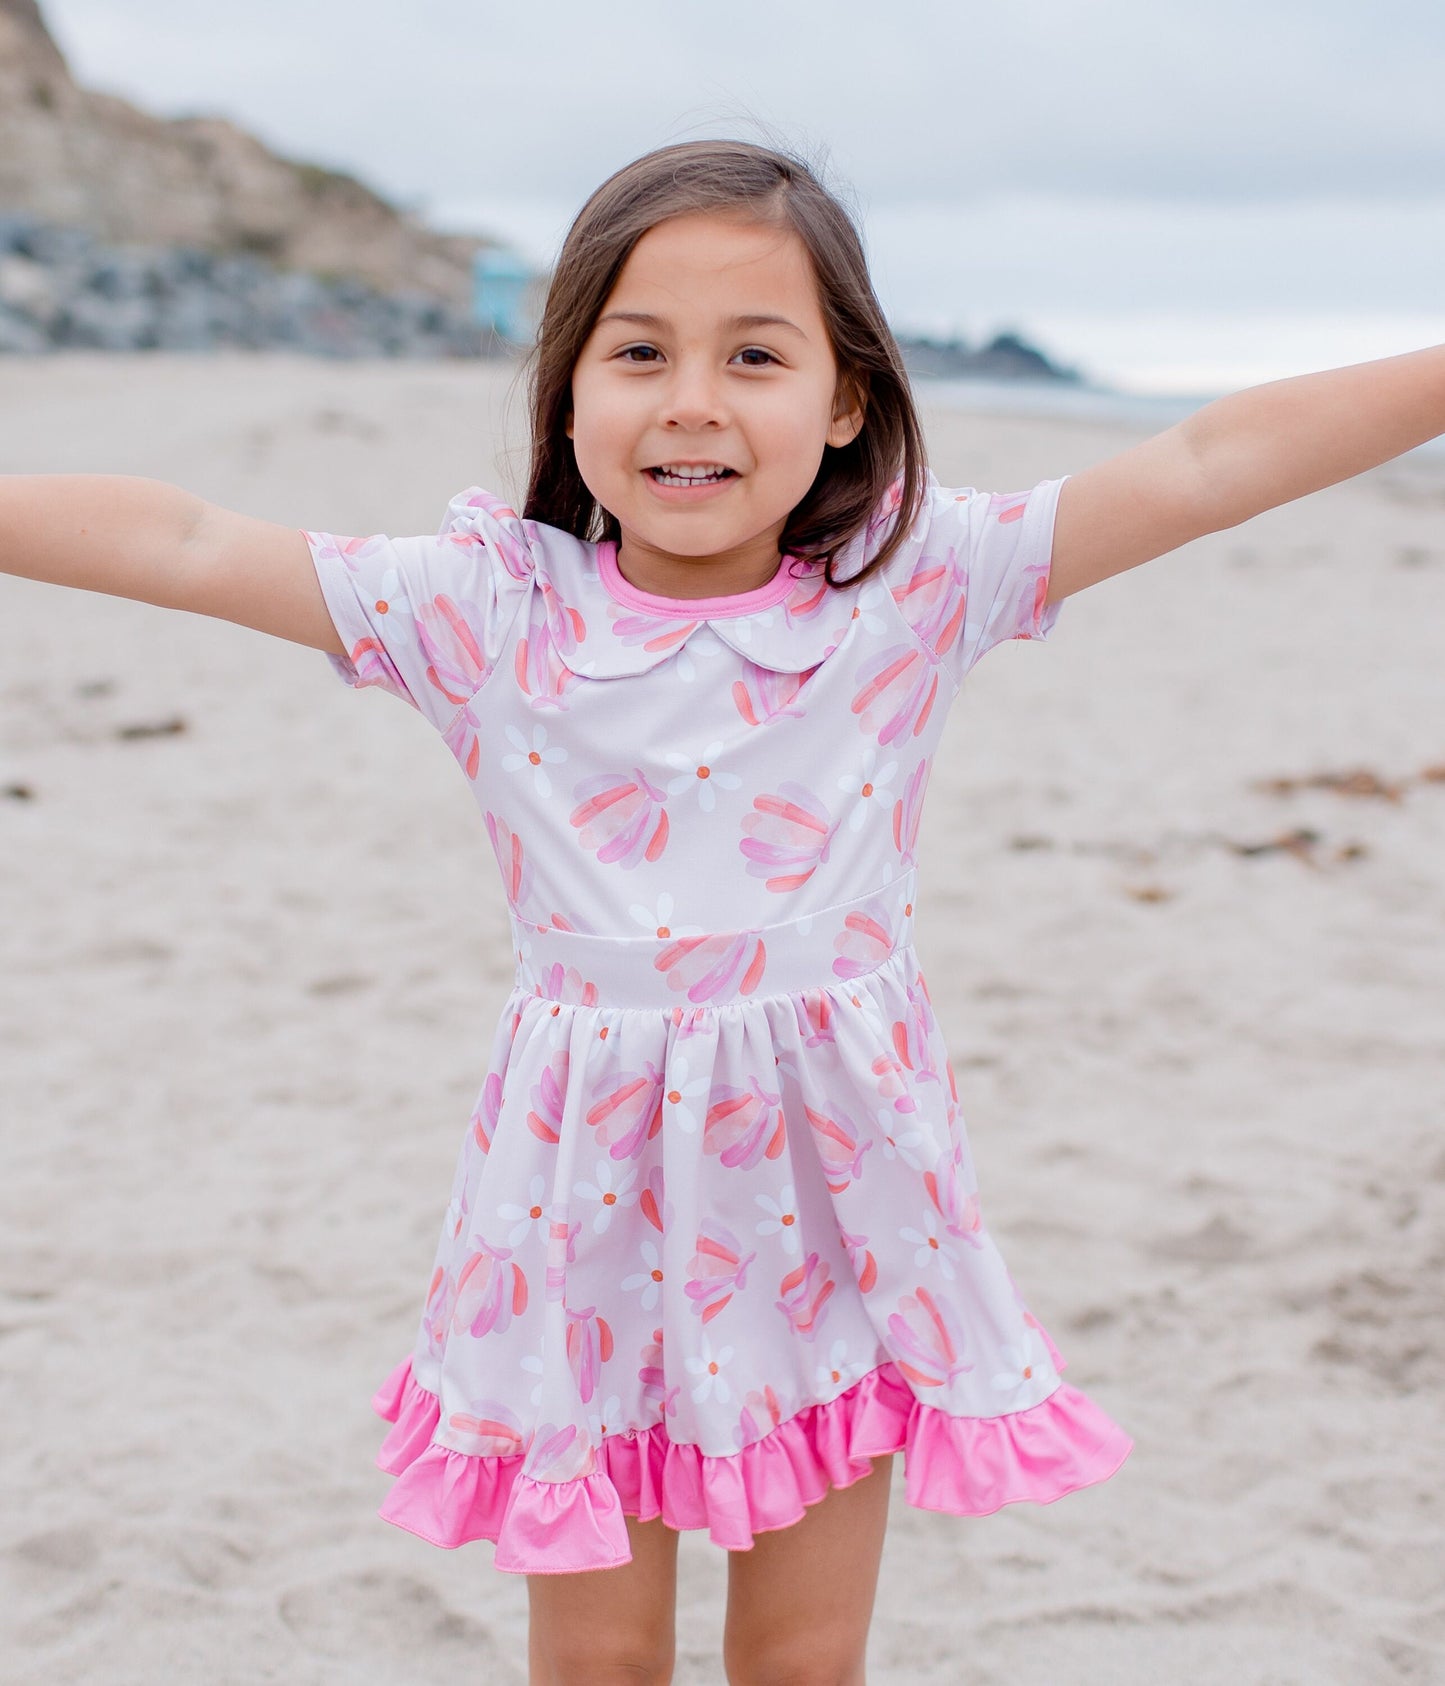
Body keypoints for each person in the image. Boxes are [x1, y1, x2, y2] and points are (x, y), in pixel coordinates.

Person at [3, 137, 1441, 1686]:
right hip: (582, 1215)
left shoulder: (913, 587)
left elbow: (1205, 464)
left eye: (752, 354)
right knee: (600, 1663)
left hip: (837, 1201)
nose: (691, 399)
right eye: (638, 352)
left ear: (841, 402)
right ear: (567, 397)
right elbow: (188, 542)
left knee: (803, 1664)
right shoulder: (488, 612)